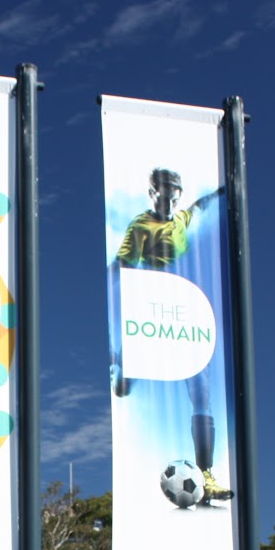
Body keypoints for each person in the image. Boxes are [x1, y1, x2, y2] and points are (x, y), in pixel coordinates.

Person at [110, 166, 230, 504]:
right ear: (153, 193)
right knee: (128, 382)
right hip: (153, 306)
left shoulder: (181, 219)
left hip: (185, 311)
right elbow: (121, 264)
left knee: (201, 394)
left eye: (175, 194)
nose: (170, 200)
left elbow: (201, 207)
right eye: (164, 194)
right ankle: (122, 361)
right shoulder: (141, 226)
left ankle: (206, 475)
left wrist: (222, 192)